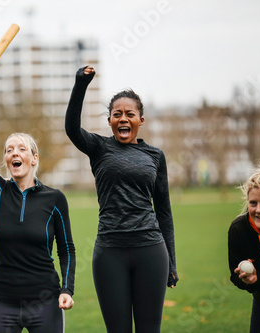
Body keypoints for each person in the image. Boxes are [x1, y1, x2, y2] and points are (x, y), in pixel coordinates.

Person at [0, 75, 76, 333]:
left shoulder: (55, 199)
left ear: (34, 159)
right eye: (9, 150)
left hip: (45, 302)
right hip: (2, 302)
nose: (14, 153)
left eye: (21, 149)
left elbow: (66, 249)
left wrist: (66, 289)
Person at [65, 66, 178, 332]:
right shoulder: (99, 148)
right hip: (109, 252)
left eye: (130, 114)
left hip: (151, 250)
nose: (123, 119)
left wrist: (172, 261)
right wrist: (81, 84)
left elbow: (164, 210)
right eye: (117, 114)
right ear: (110, 121)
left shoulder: (155, 156)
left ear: (141, 120)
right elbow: (71, 128)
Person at [228, 167, 260, 332]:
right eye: (253, 203)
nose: (258, 210)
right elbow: (234, 276)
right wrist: (250, 281)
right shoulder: (239, 230)